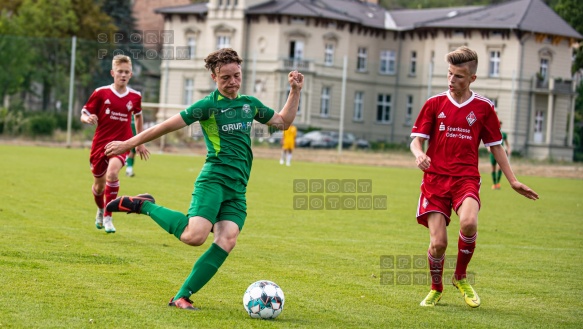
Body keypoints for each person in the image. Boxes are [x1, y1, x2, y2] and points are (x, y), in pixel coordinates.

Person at [104, 48, 304, 310]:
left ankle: (182, 296)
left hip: (238, 187)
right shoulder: (207, 106)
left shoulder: (249, 104)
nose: (232, 82)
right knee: (194, 236)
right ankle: (144, 205)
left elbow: (282, 122)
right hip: (214, 179)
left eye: (237, 75)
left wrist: (295, 90)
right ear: (213, 77)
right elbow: (163, 126)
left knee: (227, 239)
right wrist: (127, 144)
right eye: (225, 78)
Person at [409, 46, 538, 308]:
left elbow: (496, 146)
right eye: (449, 74)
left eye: (458, 76)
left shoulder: (483, 108)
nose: (451, 80)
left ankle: (460, 276)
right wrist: (418, 154)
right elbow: (415, 141)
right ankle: (436, 288)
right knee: (439, 244)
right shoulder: (434, 104)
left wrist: (512, 180)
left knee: (468, 223)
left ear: (472, 79)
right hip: (434, 180)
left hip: (466, 178)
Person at [80, 54, 149, 234]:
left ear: (131, 74)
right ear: (113, 72)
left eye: (127, 72)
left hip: (122, 142)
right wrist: (88, 119)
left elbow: (138, 116)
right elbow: (84, 112)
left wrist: (139, 141)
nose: (123, 75)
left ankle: (108, 216)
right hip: (100, 144)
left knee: (112, 174)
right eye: (120, 71)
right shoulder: (101, 92)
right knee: (98, 186)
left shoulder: (135, 96)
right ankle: (101, 209)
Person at [487, 120, 511, 190]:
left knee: (500, 168)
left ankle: (498, 183)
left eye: (500, 124)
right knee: (493, 168)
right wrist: (488, 148)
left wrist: (508, 149)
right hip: (493, 153)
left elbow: (507, 143)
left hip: (500, 153)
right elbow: (487, 141)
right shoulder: (491, 132)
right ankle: (494, 184)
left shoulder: (503, 134)